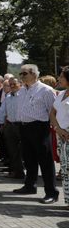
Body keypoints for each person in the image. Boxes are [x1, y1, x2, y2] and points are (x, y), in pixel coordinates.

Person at [14, 64, 58, 204]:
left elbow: (53, 111)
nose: (21, 76)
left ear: (34, 74)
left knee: (45, 161)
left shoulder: (46, 90)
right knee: (28, 159)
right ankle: (30, 186)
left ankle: (51, 192)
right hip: (24, 127)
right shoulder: (22, 90)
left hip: (39, 127)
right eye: (21, 74)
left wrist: (55, 128)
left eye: (24, 73)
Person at [50, 66, 69, 205]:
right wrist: (58, 128)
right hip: (61, 136)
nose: (59, 79)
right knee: (65, 171)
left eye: (62, 76)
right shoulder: (61, 94)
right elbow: (52, 113)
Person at [0, 77, 24, 179]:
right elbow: (3, 111)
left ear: (20, 84)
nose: (12, 86)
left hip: (22, 126)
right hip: (10, 126)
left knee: (23, 150)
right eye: (10, 84)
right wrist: (2, 124)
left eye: (14, 84)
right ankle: (17, 172)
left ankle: (24, 171)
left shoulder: (24, 96)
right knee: (12, 150)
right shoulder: (8, 96)